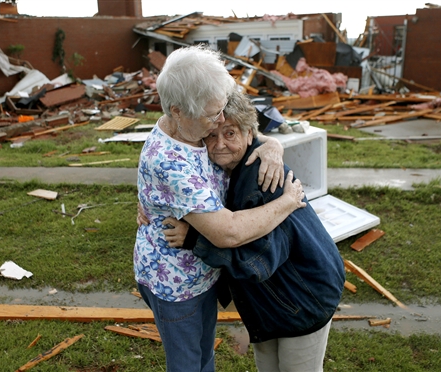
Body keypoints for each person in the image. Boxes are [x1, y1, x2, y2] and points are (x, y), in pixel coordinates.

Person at [135, 45, 307, 372]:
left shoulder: (188, 125)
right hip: (177, 284)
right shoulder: (172, 164)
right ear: (178, 110)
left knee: (205, 355)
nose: (221, 120)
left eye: (221, 109)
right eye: (214, 115)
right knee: (188, 364)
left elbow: (246, 127)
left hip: (202, 275)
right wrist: (287, 202)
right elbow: (228, 232)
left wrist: (272, 145)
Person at [164, 90, 346, 372]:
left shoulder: (264, 178)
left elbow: (256, 259)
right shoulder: (226, 169)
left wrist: (194, 239)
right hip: (273, 303)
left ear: (249, 134)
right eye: (212, 135)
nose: (219, 144)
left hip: (302, 297)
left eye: (231, 134)